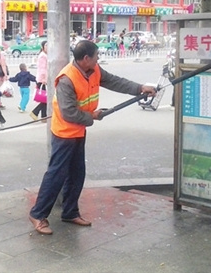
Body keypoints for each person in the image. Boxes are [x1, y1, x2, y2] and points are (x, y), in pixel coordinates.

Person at [28, 40, 156, 235]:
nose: (98, 59)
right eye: (96, 56)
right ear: (86, 58)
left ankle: (70, 212)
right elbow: (69, 113)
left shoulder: (94, 69)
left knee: (77, 173)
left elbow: (114, 81)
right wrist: (92, 116)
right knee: (56, 175)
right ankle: (38, 214)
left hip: (79, 131)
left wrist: (140, 88)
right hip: (64, 133)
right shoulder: (66, 80)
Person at [30, 40, 48, 121]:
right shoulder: (43, 56)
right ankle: (36, 113)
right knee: (45, 98)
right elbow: (42, 68)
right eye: (46, 45)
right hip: (42, 79)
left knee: (45, 98)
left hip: (44, 79)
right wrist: (44, 78)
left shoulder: (45, 55)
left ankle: (43, 116)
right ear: (43, 47)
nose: (48, 47)